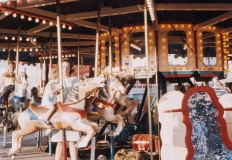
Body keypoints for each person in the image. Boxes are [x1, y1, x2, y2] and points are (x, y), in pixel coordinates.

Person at [51, 58, 80, 160]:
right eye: (63, 67)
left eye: (67, 67)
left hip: (71, 111)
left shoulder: (76, 80)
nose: (65, 69)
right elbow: (50, 95)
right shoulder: (55, 81)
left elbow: (79, 95)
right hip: (60, 111)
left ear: (71, 68)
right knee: (59, 142)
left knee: (72, 141)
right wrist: (57, 91)